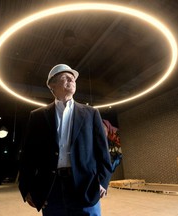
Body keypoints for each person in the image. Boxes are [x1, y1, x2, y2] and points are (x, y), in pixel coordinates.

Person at [18, 64, 112, 216]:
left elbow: (102, 152)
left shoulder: (91, 113)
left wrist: (103, 181)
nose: (72, 80)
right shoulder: (37, 116)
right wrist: (26, 188)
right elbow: (28, 155)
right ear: (52, 86)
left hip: (85, 185)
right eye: (65, 77)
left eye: (73, 78)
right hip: (51, 188)